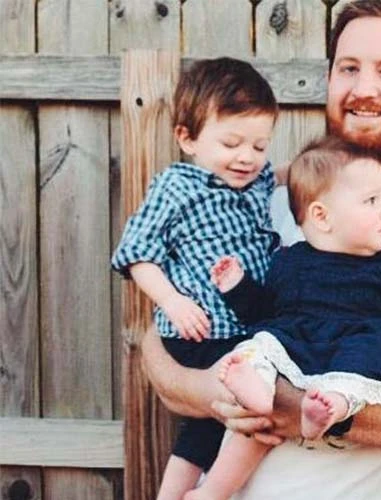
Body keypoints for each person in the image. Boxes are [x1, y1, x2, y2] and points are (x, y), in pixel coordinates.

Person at [139, 1, 381, 499]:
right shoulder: (267, 202)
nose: (363, 88)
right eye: (349, 68)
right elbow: (163, 333)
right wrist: (214, 391)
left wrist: (300, 406)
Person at [186, 136, 381, 500]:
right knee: (259, 357)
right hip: (295, 344)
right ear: (322, 217)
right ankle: (218, 478)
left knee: (356, 376)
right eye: (371, 201)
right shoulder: (289, 260)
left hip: (356, 347)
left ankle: (328, 411)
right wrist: (237, 287)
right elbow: (265, 313)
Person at [110, 57, 279, 500]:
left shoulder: (259, 180)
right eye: (231, 143)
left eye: (259, 145)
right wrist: (172, 302)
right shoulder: (177, 186)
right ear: (187, 139)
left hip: (244, 325)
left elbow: (287, 174)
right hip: (200, 328)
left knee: (207, 428)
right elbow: (136, 253)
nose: (247, 157)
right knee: (251, 410)